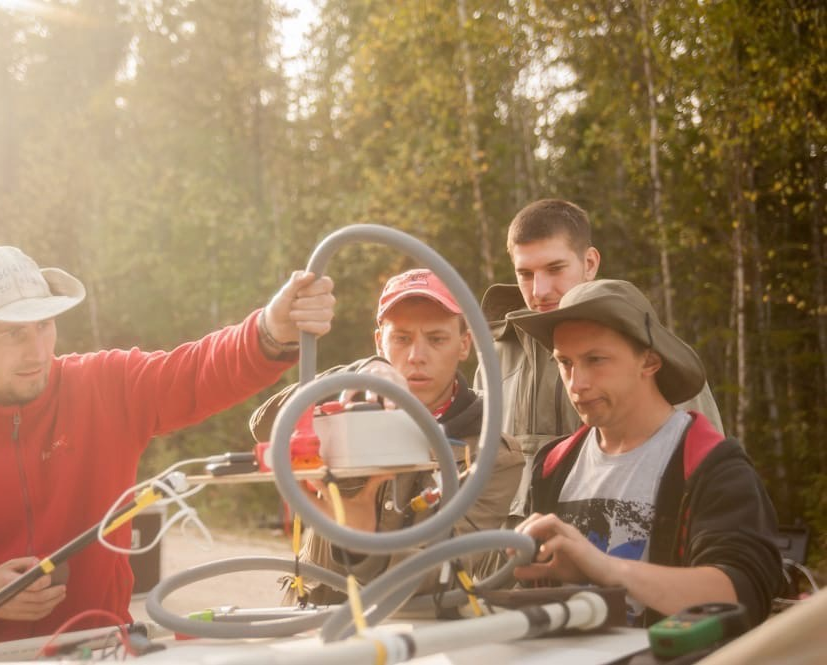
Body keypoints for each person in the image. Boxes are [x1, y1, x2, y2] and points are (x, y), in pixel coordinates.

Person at [0, 246, 336, 648]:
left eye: (44, 325)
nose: (37, 349)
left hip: (100, 650)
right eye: (13, 333)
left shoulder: (102, 385)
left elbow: (193, 372)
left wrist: (271, 332)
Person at [507, 279, 781, 627]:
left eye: (596, 360)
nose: (577, 384)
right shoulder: (553, 465)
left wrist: (605, 567)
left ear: (650, 361)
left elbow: (742, 592)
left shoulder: (711, 464)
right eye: (565, 362)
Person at [250, 269, 525, 604]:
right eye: (402, 339)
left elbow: (431, 576)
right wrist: (362, 370)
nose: (416, 356)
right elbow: (265, 423)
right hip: (312, 624)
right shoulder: (346, 409)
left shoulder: (491, 453)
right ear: (380, 341)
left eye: (436, 339)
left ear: (464, 344)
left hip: (413, 640)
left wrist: (356, 537)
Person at [479, 198, 723, 516]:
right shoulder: (495, 354)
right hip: (510, 556)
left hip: (620, 547)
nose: (539, 290)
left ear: (590, 263)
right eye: (525, 273)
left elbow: (707, 474)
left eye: (555, 269)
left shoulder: (640, 347)